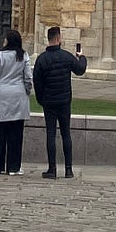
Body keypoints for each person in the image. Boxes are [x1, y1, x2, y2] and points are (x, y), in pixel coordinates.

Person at [32, 24, 86, 179]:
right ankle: (68, 169)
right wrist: (81, 56)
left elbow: (37, 81)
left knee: (50, 134)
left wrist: (41, 99)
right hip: (63, 101)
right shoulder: (66, 56)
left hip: (49, 101)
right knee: (65, 133)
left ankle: (52, 169)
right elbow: (80, 69)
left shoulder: (42, 59)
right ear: (58, 38)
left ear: (48, 40)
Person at [0, 28, 33, 177]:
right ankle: (14, 167)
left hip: (1, 94)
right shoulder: (23, 56)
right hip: (18, 95)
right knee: (15, 134)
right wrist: (26, 91)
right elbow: (28, 77)